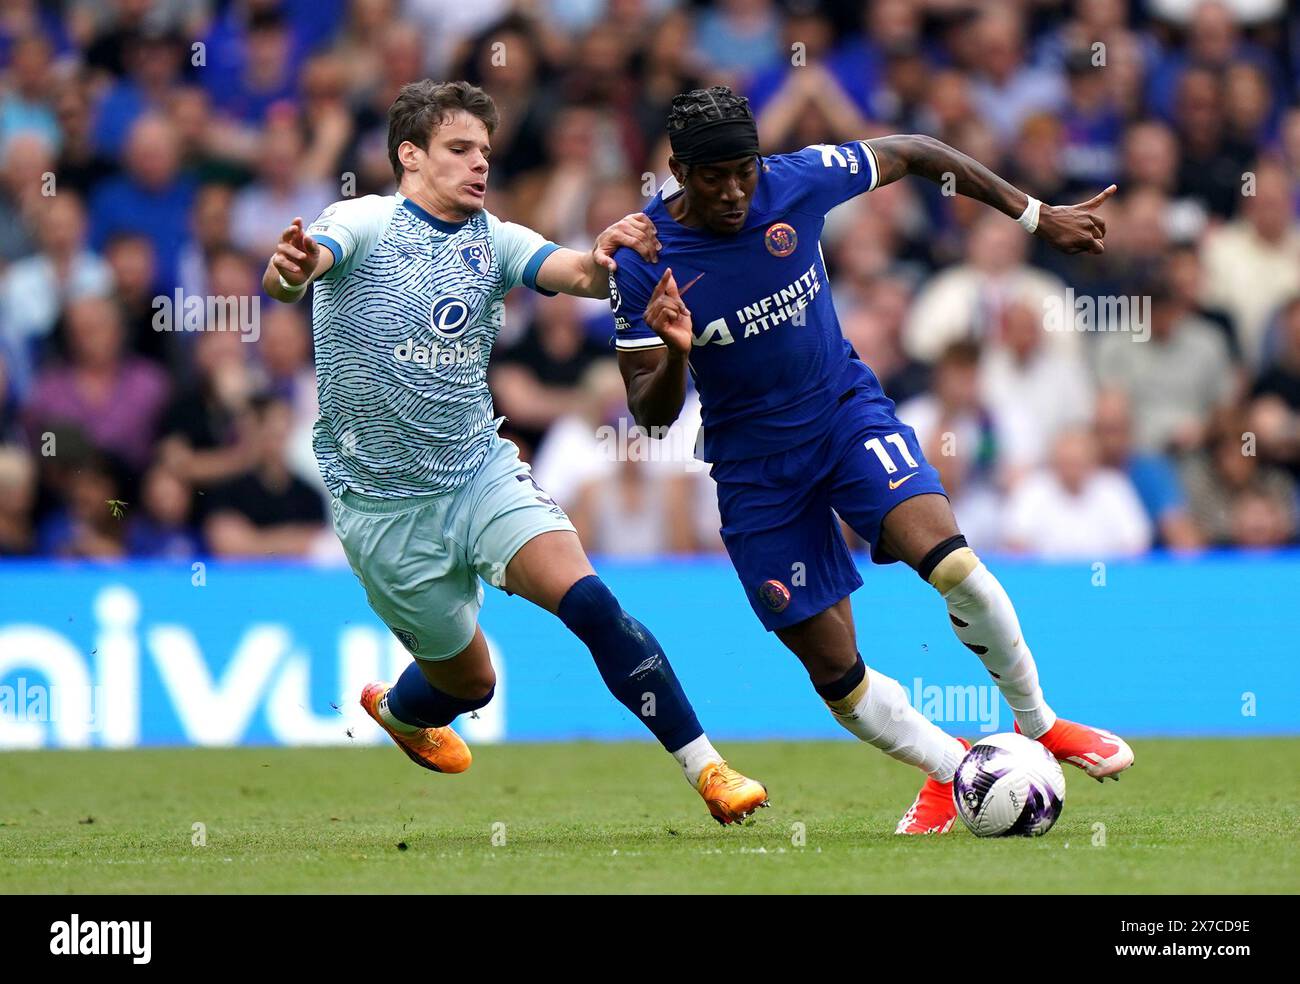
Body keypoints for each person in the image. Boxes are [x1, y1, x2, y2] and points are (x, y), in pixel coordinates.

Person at [610, 86, 1134, 835]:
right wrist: (673, 351)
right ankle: (954, 769)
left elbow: (920, 150)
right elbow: (650, 412)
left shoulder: (798, 180)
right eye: (712, 176)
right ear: (676, 171)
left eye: (744, 171)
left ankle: (1040, 723)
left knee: (952, 563)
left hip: (843, 416)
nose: (733, 192)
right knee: (836, 676)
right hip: (754, 467)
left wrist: (1035, 214)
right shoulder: (642, 259)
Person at [262, 80, 766, 824]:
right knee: (471, 687)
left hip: (480, 475)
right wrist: (290, 270)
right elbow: (293, 272)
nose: (478, 165)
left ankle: (710, 770)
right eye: (459, 150)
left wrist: (612, 254)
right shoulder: (362, 221)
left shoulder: (494, 239)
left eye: (485, 153)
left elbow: (579, 276)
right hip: (385, 512)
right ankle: (401, 712)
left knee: (592, 602)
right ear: (410, 155)